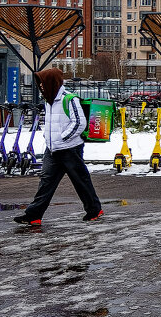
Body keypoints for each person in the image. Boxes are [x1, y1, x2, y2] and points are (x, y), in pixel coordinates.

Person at [13, 67, 103, 226]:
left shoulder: (69, 99)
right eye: (39, 84)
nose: (40, 86)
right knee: (46, 182)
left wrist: (63, 137)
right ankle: (33, 215)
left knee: (80, 181)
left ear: (52, 82)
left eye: (42, 83)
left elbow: (79, 123)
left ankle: (94, 210)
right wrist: (49, 139)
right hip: (53, 149)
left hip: (70, 149)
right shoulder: (49, 100)